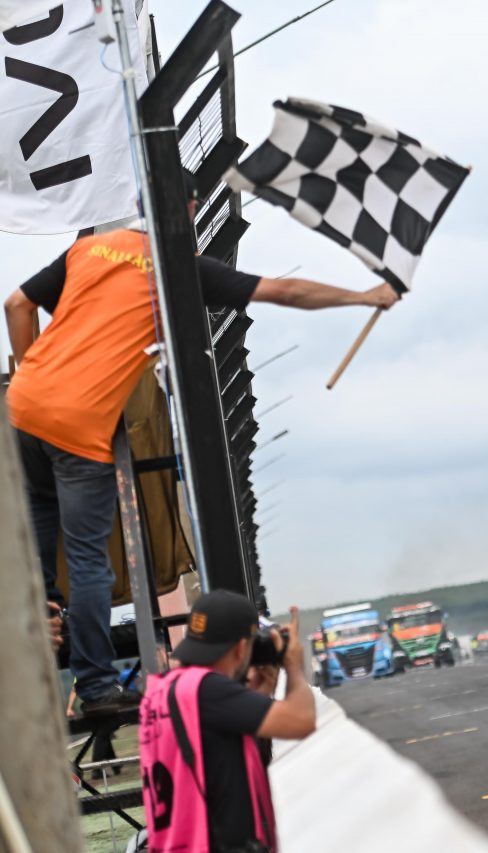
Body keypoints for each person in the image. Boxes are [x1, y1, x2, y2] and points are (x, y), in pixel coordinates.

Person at [3, 176, 398, 714]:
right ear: (190, 209)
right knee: (88, 559)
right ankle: (94, 687)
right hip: (80, 426)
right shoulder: (179, 269)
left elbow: (17, 304)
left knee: (36, 554)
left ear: (136, 205)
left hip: (21, 411)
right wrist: (365, 296)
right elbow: (284, 291)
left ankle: (34, 662)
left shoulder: (88, 250)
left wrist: (34, 374)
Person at [138, 590, 315, 853]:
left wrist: (257, 697)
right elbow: (301, 720)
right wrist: (294, 667)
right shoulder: (207, 690)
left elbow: (212, 756)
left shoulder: (165, 691)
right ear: (241, 648)